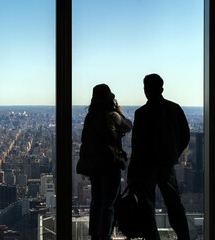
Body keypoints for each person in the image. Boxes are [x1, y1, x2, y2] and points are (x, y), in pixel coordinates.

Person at [127, 74, 190, 240]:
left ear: (145, 90)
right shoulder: (174, 108)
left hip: (146, 166)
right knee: (174, 203)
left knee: (147, 206)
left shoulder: (141, 113)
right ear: (162, 88)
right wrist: (174, 153)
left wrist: (132, 174)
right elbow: (185, 135)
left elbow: (137, 145)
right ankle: (184, 237)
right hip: (167, 164)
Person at [81, 84, 132, 240]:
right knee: (109, 202)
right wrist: (121, 113)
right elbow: (129, 127)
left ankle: (95, 234)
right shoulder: (112, 115)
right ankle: (105, 235)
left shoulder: (90, 116)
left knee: (96, 200)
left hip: (94, 164)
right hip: (110, 163)